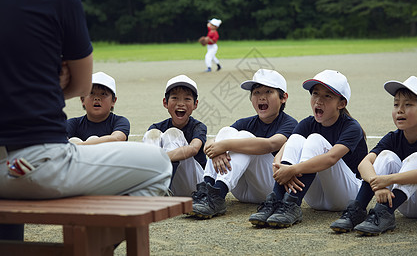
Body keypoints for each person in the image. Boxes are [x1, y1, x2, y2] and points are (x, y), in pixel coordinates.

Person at [0, 0, 171, 241]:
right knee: (159, 164)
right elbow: (82, 84)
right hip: (32, 166)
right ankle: (93, 248)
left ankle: (9, 245)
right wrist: (41, 85)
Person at [249, 70, 367, 228]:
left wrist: (292, 170)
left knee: (314, 139)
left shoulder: (351, 127)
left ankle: (292, 203)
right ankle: (276, 201)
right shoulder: (307, 123)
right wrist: (279, 166)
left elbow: (331, 158)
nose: (318, 100)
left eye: (327, 96)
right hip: (315, 200)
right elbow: (286, 148)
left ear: (341, 103)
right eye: (315, 94)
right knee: (296, 138)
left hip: (347, 195)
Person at [330, 76, 417, 236]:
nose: (400, 110)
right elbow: (364, 164)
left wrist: (389, 180)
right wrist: (379, 185)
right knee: (386, 156)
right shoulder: (393, 137)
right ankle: (358, 210)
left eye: (408, 104)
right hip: (406, 206)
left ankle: (384, 212)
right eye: (396, 104)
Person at [190, 69, 298, 219]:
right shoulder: (246, 122)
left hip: (268, 188)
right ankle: (207, 190)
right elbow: (211, 142)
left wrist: (224, 146)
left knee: (244, 137)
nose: (261, 97)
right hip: (240, 190)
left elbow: (271, 144)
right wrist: (218, 149)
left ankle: (218, 194)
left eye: (268, 92)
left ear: (283, 97)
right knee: (226, 131)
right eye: (256, 93)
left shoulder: (289, 123)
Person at [142, 75, 207, 196]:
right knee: (152, 134)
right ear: (165, 103)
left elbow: (193, 149)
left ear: (195, 104)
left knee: (173, 133)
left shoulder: (198, 126)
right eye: (175, 98)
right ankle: (156, 189)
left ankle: (161, 189)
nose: (181, 103)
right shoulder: (156, 127)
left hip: (193, 185)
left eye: (187, 99)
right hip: (164, 184)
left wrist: (159, 158)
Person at [67, 71, 130, 145]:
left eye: (103, 94)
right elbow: (58, 141)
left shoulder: (119, 121)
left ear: (113, 101)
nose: (97, 98)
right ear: (82, 99)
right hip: (81, 156)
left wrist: (78, 146)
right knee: (73, 140)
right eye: (91, 93)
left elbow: (117, 138)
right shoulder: (73, 123)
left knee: (92, 139)